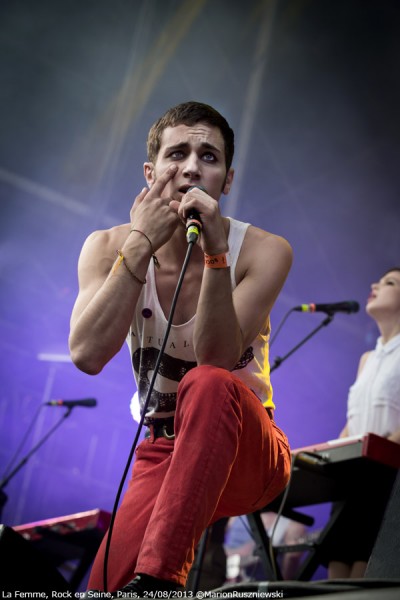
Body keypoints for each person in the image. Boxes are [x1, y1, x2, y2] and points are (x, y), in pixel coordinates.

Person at [68, 101, 293, 594]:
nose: (192, 167)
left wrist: (215, 254)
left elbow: (215, 360)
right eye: (178, 154)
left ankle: (160, 581)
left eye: (209, 157)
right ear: (150, 173)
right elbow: (86, 354)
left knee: (207, 381)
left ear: (226, 180)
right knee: (104, 585)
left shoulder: (264, 250)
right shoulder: (107, 247)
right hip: (164, 446)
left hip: (248, 449)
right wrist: (140, 245)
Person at [327, 267, 400, 579]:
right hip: (352, 472)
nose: (375, 284)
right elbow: (352, 421)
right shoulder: (366, 359)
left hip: (386, 474)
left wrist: (380, 451)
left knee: (363, 570)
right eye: (377, 280)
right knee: (336, 567)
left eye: (390, 283)